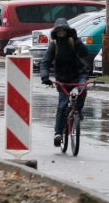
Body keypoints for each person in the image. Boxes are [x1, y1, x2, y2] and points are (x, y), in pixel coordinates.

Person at [39, 18, 91, 147]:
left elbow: (85, 53)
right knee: (62, 106)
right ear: (56, 32)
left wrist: (77, 40)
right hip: (62, 79)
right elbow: (45, 62)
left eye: (64, 30)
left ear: (67, 30)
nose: (62, 32)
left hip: (79, 74)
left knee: (82, 89)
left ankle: (78, 111)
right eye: (59, 30)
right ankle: (58, 133)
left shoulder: (74, 41)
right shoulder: (54, 45)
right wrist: (45, 77)